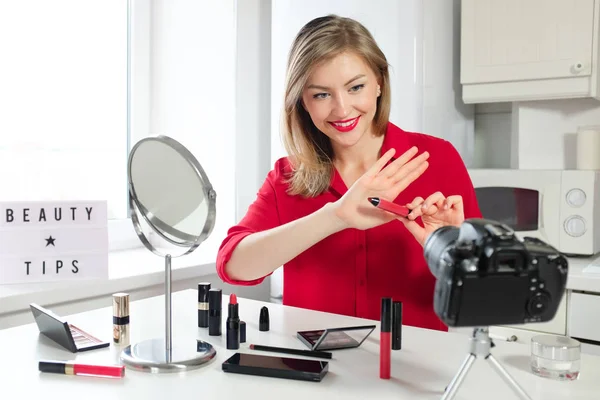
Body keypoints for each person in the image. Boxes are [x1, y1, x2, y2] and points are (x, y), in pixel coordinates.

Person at [216, 15, 481, 331]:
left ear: (379, 82)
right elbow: (233, 265)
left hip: (417, 369)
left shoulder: (437, 158)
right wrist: (336, 216)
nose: (342, 110)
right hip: (317, 371)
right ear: (302, 100)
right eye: (321, 94)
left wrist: (453, 253)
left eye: (356, 87)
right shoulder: (287, 176)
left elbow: (480, 295)